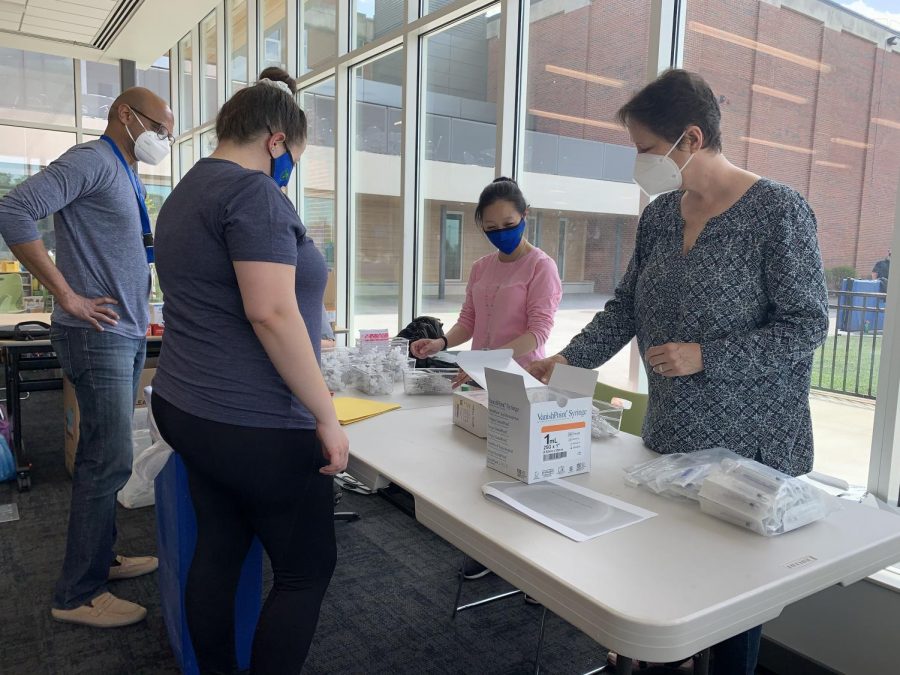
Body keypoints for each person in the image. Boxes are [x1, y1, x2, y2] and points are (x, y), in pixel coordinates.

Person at [528, 69, 828, 674]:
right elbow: (626, 310)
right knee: (667, 595)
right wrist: (566, 362)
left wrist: (706, 356)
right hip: (673, 441)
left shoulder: (778, 211)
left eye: (644, 148)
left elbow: (806, 325)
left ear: (690, 139)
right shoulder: (663, 215)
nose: (638, 162)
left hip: (752, 446)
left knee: (732, 612)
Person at [150, 67, 348, 674]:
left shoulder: (186, 192)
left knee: (221, 546)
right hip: (256, 422)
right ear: (275, 139)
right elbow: (270, 310)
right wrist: (327, 416)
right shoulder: (253, 193)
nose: (290, 166)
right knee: (305, 570)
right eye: (295, 152)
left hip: (190, 407)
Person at [0, 88, 173, 628]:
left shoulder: (122, 169)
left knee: (107, 457)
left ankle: (101, 559)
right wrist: (65, 294)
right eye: (159, 128)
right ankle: (78, 593)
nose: (163, 139)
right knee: (107, 461)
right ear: (126, 115)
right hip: (96, 334)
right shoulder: (92, 160)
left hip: (118, 332)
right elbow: (13, 210)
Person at [410, 177, 562, 373]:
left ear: (524, 215)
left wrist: (488, 359)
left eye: (509, 224)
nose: (501, 233)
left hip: (521, 374)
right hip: (479, 373)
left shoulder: (541, 267)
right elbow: (468, 322)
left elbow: (538, 333)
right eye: (491, 228)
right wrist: (441, 342)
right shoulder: (481, 267)